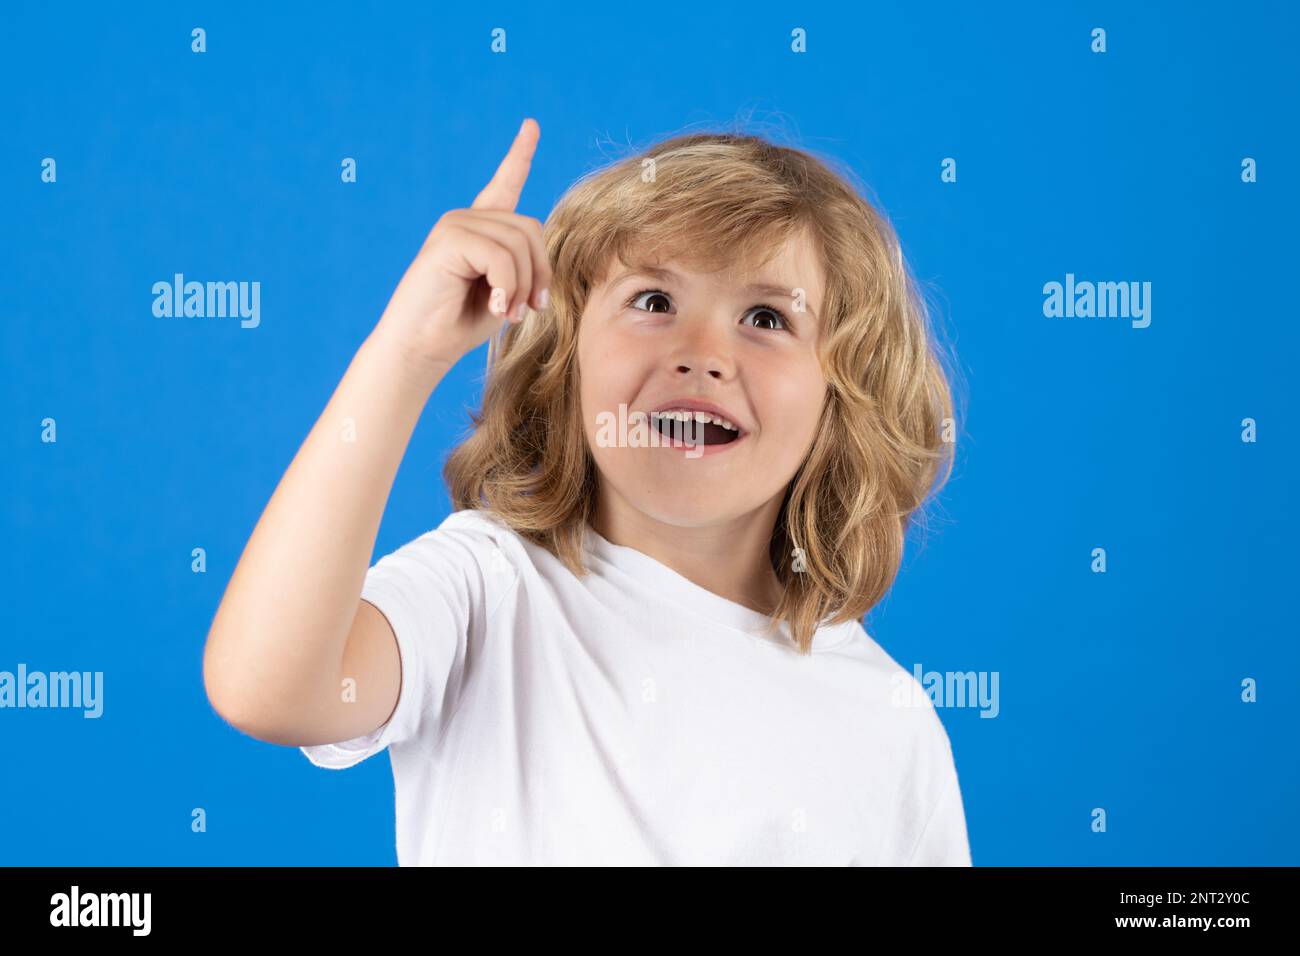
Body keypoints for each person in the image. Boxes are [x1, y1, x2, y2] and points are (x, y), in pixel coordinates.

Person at [202, 117, 972, 866]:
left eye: (766, 317)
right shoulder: (488, 587)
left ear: (841, 399)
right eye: (654, 302)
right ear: (565, 357)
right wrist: (407, 351)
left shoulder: (888, 722)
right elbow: (267, 688)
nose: (701, 354)